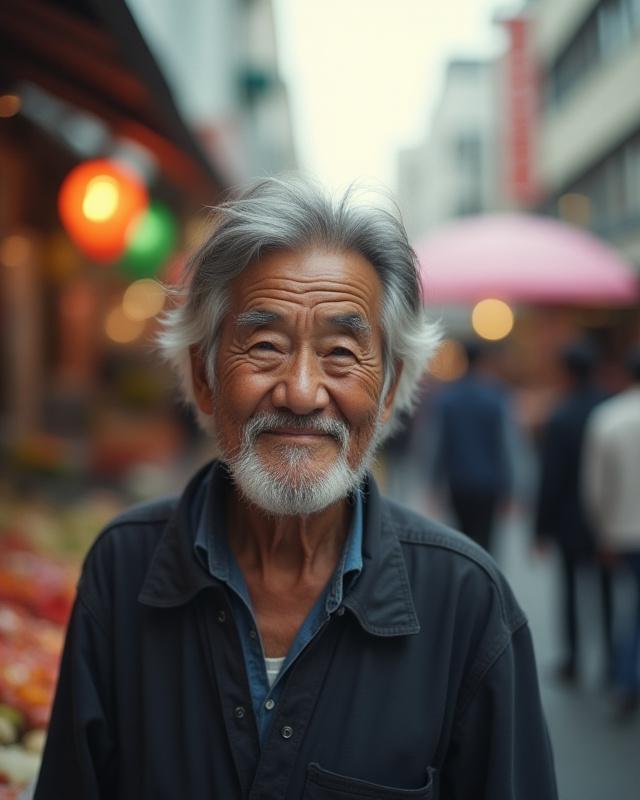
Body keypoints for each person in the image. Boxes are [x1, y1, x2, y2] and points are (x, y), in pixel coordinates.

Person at [34, 177, 557, 799]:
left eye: (340, 352)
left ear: (388, 390)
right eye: (265, 346)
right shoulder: (122, 569)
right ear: (204, 379)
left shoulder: (467, 602)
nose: (302, 392)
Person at [534, 341, 613, 684]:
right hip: (606, 518)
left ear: (567, 372)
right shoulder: (608, 408)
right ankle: (612, 659)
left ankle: (574, 659)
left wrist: (541, 527)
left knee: (569, 589)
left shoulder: (562, 415)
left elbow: (551, 476)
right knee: (606, 589)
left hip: (569, 516)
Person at [583, 346, 640, 720]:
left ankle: (624, 678)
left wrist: (601, 530)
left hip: (623, 528)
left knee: (629, 608)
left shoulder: (608, 418)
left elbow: (595, 486)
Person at [430, 341, 513, 552]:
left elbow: (439, 443)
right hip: (489, 482)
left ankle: (468, 579)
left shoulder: (449, 398)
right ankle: (486, 580)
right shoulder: (495, 396)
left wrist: (434, 482)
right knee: (487, 539)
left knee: (463, 537)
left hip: (459, 480)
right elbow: (505, 444)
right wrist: (509, 485)